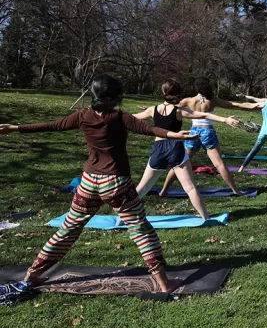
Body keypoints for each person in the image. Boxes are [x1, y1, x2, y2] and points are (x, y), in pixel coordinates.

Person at [0, 75, 197, 292]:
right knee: (141, 230)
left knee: (68, 229)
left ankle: (32, 274)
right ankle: (164, 284)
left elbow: (51, 125)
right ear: (116, 96)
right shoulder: (120, 117)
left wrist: (15, 128)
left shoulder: (83, 116)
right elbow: (149, 130)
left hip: (88, 183)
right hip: (116, 183)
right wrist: (175, 135)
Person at [132, 79, 241, 218]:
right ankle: (206, 218)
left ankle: (121, 218)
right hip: (176, 148)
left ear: (163, 92)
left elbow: (132, 118)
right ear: (177, 94)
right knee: (190, 188)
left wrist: (107, 114)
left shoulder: (152, 110)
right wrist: (225, 119)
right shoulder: (179, 111)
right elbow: (205, 115)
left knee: (141, 188)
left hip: (159, 149)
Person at [160, 77, 262, 196]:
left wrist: (151, 111)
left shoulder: (189, 100)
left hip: (193, 134)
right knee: (219, 164)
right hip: (207, 132)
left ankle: (164, 190)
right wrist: (254, 106)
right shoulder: (213, 100)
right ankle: (236, 190)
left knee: (179, 163)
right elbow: (235, 104)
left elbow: (169, 107)